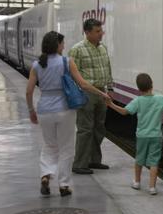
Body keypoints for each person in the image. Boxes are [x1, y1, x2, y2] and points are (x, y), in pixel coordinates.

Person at [26, 31, 110, 197]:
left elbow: (29, 92)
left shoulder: (37, 65)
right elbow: (84, 84)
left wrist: (31, 111)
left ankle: (45, 175)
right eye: (62, 44)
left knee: (49, 145)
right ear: (57, 45)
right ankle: (63, 185)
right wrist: (102, 94)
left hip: (44, 110)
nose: (64, 46)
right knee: (66, 148)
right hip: (64, 109)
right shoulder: (66, 62)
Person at [106, 73, 163, 195]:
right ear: (152, 86)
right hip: (155, 136)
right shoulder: (159, 99)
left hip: (142, 136)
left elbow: (124, 112)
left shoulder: (137, 101)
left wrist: (111, 104)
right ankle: (152, 187)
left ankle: (137, 182)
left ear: (138, 88)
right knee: (154, 161)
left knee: (139, 159)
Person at [70, 18, 113, 175]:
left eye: (101, 30)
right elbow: (71, 75)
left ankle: (94, 160)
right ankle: (79, 163)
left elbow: (107, 68)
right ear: (87, 32)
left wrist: (110, 87)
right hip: (86, 92)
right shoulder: (77, 49)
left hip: (101, 92)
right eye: (97, 31)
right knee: (85, 129)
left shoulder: (103, 48)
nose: (101, 33)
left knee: (99, 128)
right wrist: (78, 93)